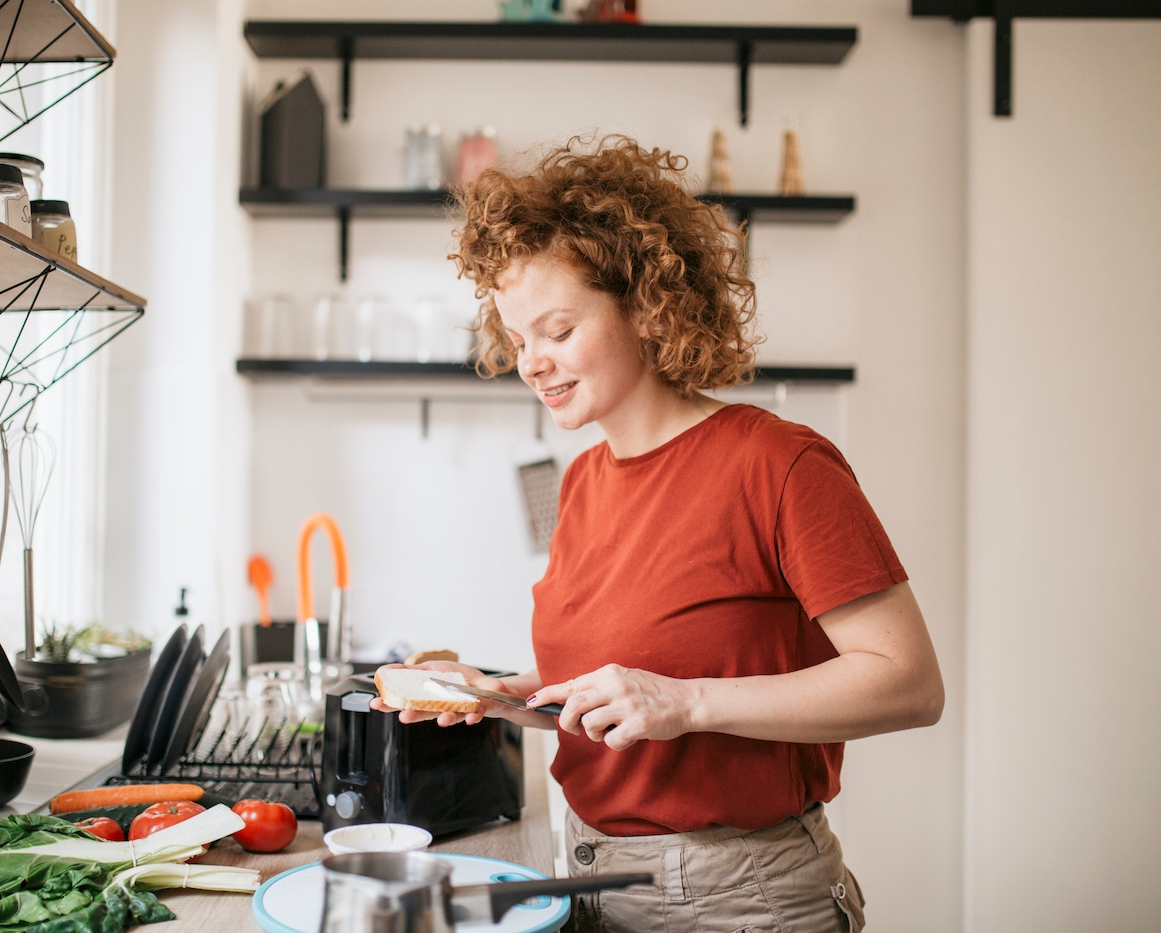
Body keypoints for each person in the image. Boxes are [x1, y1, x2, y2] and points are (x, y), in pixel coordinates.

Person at [371, 137, 945, 933]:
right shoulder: (582, 481)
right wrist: (503, 694)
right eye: (518, 337)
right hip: (591, 879)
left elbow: (910, 682)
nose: (532, 362)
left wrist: (687, 702)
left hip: (739, 899)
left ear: (645, 305)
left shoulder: (778, 463)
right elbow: (621, 690)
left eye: (558, 329)